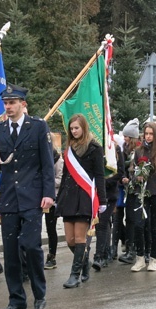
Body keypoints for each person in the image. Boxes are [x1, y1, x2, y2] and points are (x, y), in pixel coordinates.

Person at [0, 84, 55, 309]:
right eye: (6, 103)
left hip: (33, 197)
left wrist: (48, 194)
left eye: (12, 103)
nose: (8, 107)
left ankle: (39, 295)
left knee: (31, 247)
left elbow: (47, 165)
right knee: (11, 251)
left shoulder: (38, 127)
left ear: (23, 104)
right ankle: (16, 299)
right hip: (9, 199)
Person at [56, 114, 106, 286]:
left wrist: (103, 200)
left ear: (84, 128)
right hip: (69, 198)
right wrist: (59, 197)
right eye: (71, 129)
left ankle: (74, 275)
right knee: (69, 239)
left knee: (79, 238)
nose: (74, 131)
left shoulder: (94, 148)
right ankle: (85, 263)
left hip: (85, 197)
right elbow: (65, 176)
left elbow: (100, 176)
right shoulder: (69, 149)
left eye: (76, 128)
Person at [128, 122, 156, 272]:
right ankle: (140, 257)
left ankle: (153, 259)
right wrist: (137, 178)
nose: (148, 137)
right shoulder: (139, 151)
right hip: (141, 193)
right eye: (146, 133)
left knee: (155, 227)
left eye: (151, 134)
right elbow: (133, 172)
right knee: (138, 225)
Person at [92, 139, 123, 269]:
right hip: (95, 193)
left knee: (102, 223)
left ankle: (99, 256)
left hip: (110, 195)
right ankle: (105, 251)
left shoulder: (116, 150)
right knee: (101, 224)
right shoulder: (95, 148)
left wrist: (105, 182)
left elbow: (120, 172)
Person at [117, 120, 140, 264]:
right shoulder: (124, 150)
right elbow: (122, 168)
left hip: (137, 190)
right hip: (128, 189)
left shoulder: (138, 151)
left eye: (127, 136)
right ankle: (130, 247)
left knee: (134, 220)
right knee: (128, 219)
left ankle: (134, 249)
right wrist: (123, 178)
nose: (124, 138)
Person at [43, 147, 64, 270]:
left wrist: (45, 182)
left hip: (52, 197)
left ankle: (52, 256)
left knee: (51, 228)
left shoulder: (58, 160)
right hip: (38, 196)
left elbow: (60, 180)